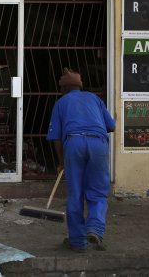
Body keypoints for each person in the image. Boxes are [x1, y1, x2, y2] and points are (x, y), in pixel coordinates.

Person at [46, 68, 115, 253]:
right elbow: (112, 126)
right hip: (98, 144)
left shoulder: (61, 103)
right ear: (79, 86)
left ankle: (77, 242)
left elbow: (57, 139)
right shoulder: (94, 99)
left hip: (74, 143)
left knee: (75, 194)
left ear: (64, 89)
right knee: (98, 193)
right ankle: (95, 228)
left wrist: (62, 163)